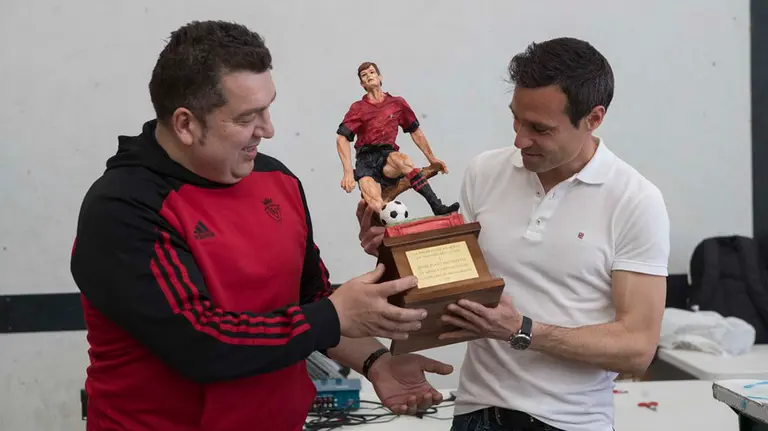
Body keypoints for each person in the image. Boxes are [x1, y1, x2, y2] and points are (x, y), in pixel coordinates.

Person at [70, 20, 454, 431]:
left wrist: (376, 361)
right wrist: (330, 315)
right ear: (185, 124)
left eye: (268, 108)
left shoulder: (279, 182)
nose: (267, 130)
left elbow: (314, 304)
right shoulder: (122, 206)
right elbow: (200, 343)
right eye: (247, 117)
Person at [356, 37, 670, 431]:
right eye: (516, 119)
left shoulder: (636, 200)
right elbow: (460, 290)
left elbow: (638, 349)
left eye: (540, 128)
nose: (520, 139)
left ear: (593, 118)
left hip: (570, 423)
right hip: (475, 414)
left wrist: (522, 331)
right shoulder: (485, 172)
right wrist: (393, 253)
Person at [336, 61, 460, 215]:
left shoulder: (397, 104)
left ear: (380, 77)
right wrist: (348, 172)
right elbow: (342, 138)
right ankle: (391, 228)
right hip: (365, 160)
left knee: (403, 160)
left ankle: (437, 206)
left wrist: (431, 158)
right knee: (375, 203)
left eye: (372, 72)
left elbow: (415, 131)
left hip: (387, 156)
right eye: (364, 75)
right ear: (362, 84)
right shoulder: (358, 108)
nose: (369, 76)